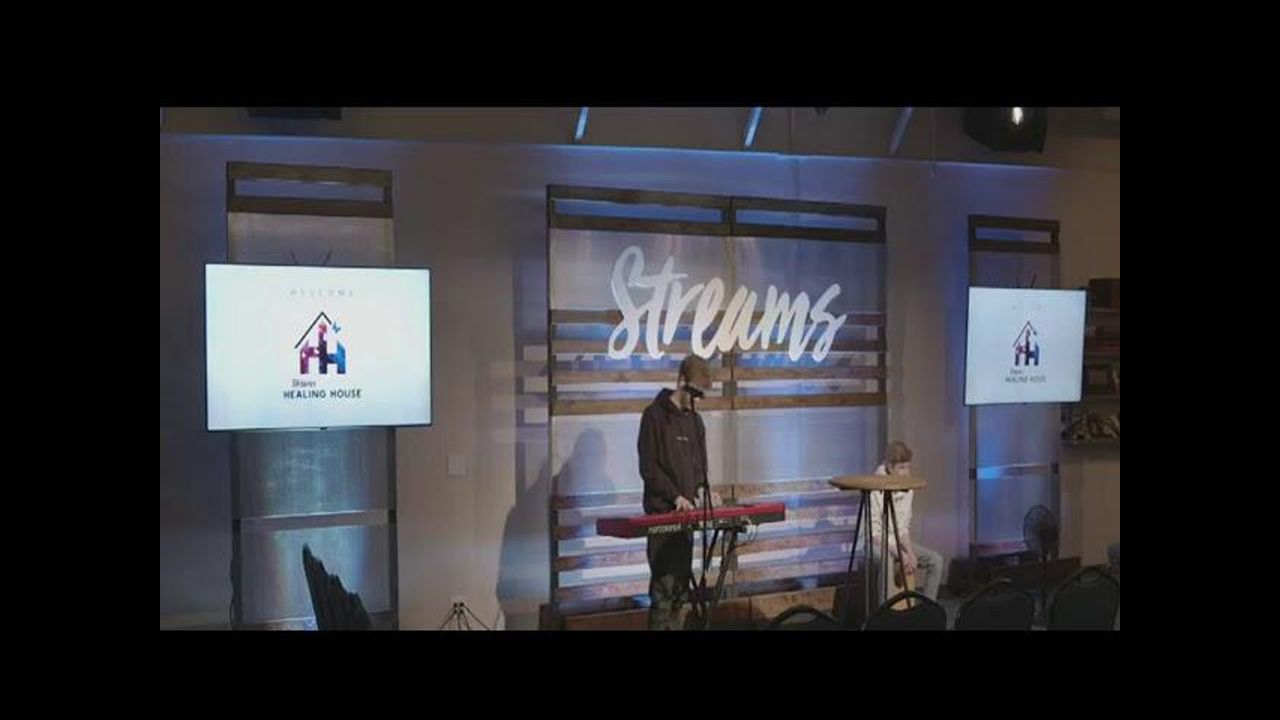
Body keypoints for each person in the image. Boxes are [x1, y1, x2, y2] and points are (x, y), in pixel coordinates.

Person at [637, 354, 716, 630]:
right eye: (694, 394)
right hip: (662, 516)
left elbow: (700, 467)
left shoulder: (695, 422)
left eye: (701, 396)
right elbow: (649, 468)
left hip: (686, 518)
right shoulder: (653, 416)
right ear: (682, 382)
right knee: (664, 591)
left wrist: (702, 490)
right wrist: (675, 496)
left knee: (681, 591)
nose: (697, 401)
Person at [870, 441, 944, 601]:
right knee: (887, 561)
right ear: (890, 467)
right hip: (876, 543)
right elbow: (874, 534)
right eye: (901, 468)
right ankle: (884, 611)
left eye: (908, 467)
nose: (906, 472)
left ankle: (928, 610)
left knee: (935, 560)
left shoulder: (908, 488)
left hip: (897, 542)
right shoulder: (874, 488)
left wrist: (910, 553)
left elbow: (903, 528)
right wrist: (900, 554)